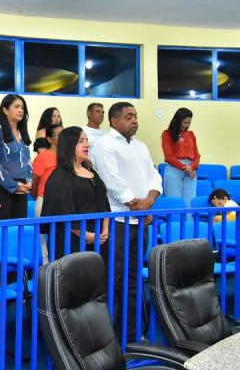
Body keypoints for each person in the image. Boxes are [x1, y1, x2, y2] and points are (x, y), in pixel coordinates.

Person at [92, 101, 162, 343]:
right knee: (114, 279)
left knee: (133, 277)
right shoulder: (105, 145)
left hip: (139, 222)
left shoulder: (141, 146)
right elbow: (113, 182)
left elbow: (154, 175)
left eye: (136, 116)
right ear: (114, 121)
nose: (134, 120)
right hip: (117, 222)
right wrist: (137, 204)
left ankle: (131, 333)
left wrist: (149, 200)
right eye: (129, 116)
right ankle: (109, 337)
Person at [41, 126, 110, 260]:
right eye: (81, 141)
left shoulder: (91, 171)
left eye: (87, 140)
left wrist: (105, 229)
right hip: (71, 242)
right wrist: (87, 236)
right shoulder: (59, 177)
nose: (86, 144)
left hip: (99, 238)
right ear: (69, 145)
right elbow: (63, 213)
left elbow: (104, 202)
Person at [0, 94, 32, 220]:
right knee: (2, 231)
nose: (21, 110)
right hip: (3, 187)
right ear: (5, 110)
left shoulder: (22, 132)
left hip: (22, 189)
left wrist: (29, 181)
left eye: (23, 107)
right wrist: (13, 185)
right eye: (17, 106)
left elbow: (28, 160)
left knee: (19, 229)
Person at [161, 108, 200, 209]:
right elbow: (168, 157)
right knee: (174, 201)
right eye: (185, 122)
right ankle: (174, 224)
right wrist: (185, 168)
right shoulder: (167, 134)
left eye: (189, 123)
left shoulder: (191, 134)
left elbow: (197, 155)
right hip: (175, 168)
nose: (187, 125)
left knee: (190, 202)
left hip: (191, 169)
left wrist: (192, 167)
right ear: (178, 121)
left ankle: (189, 224)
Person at [32, 124, 63, 217]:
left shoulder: (68, 157)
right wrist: (39, 198)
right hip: (45, 202)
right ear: (49, 139)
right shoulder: (42, 156)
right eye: (59, 135)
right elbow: (34, 183)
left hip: (64, 203)